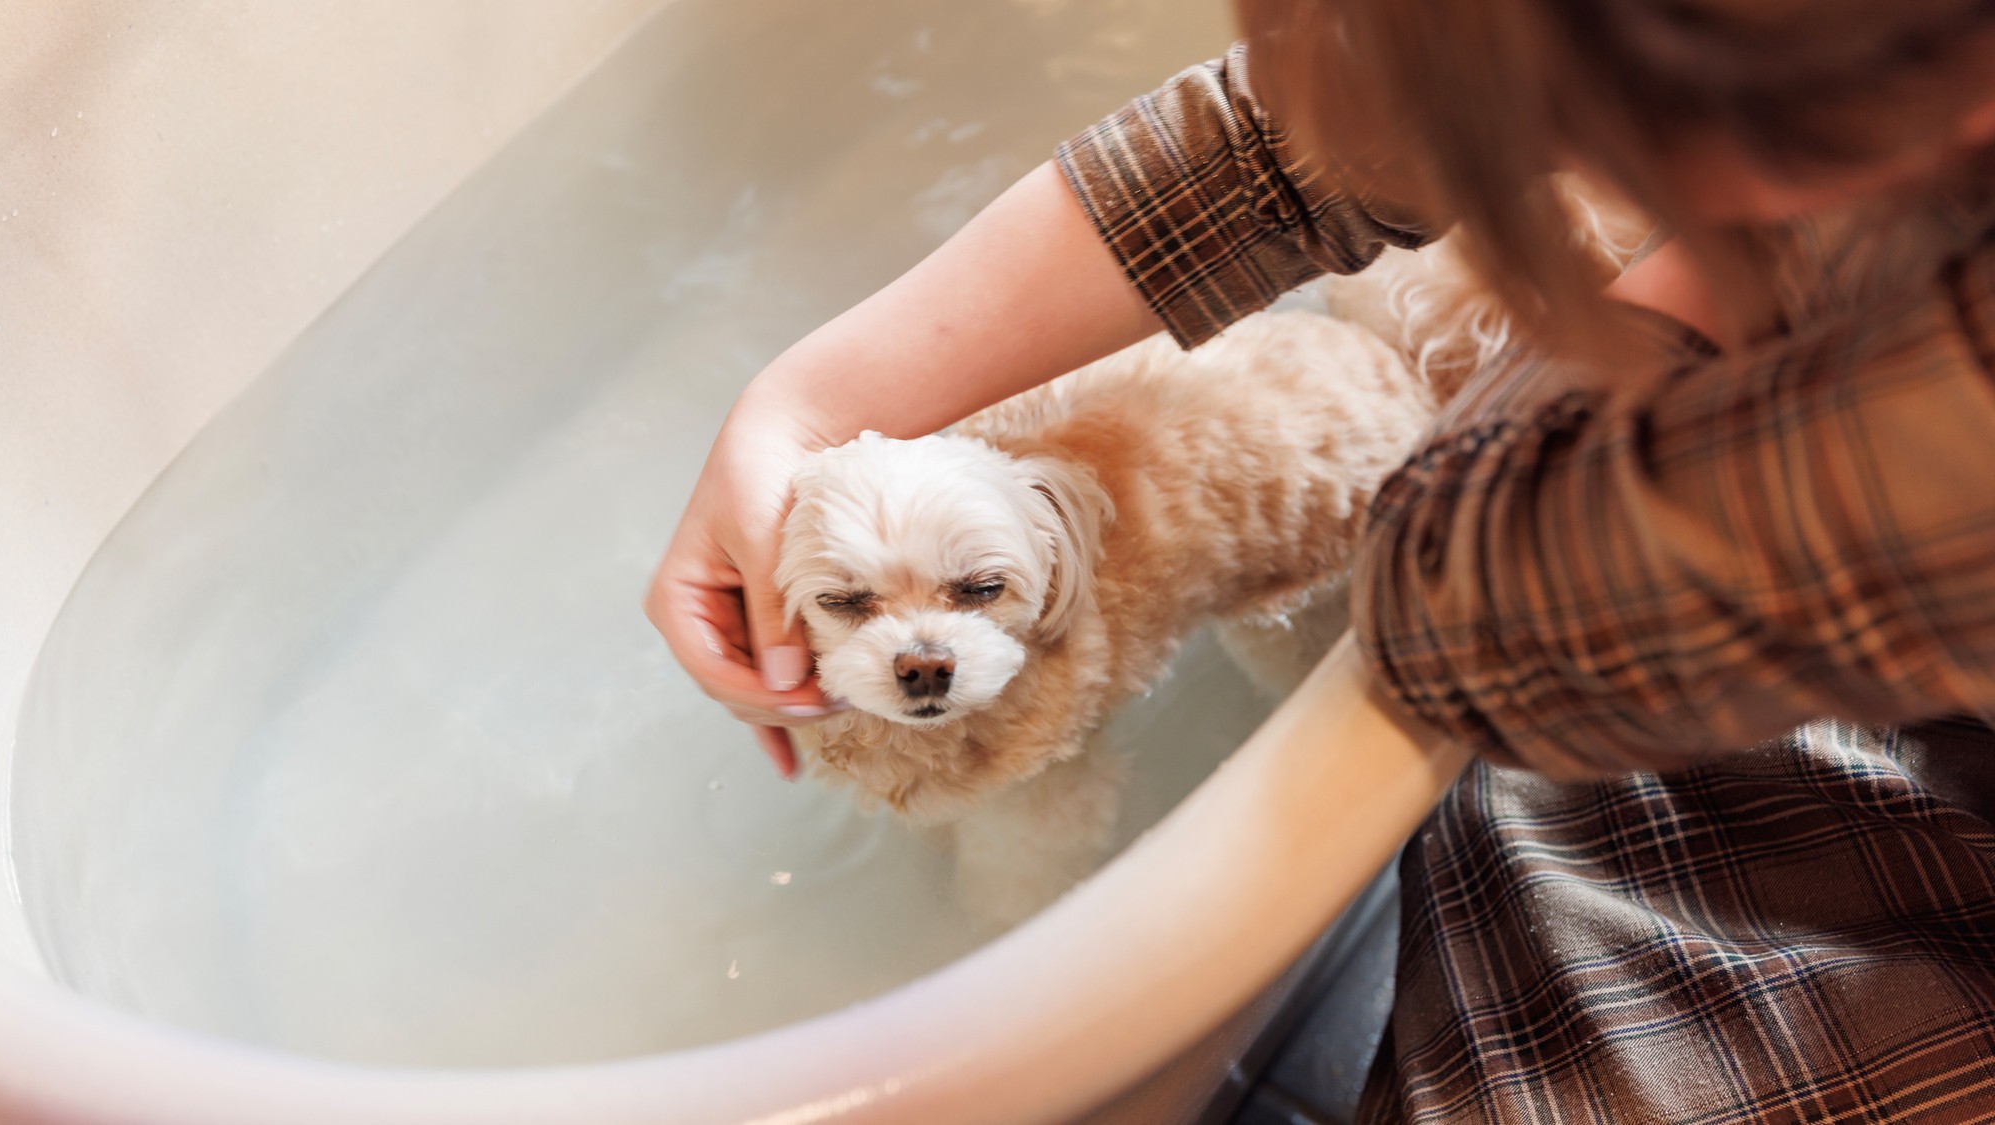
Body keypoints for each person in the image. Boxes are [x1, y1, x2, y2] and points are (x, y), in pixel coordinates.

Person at [649, 0, 1995, 1118]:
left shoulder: (1941, 396)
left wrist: (1711, 261)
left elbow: (1467, 618)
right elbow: (1305, 125)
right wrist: (801, 403)